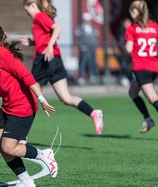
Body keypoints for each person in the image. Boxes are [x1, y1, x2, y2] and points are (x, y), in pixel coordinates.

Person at [0, 22, 57, 187]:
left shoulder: (4, 55)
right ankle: (26, 181)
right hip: (7, 107)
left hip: (22, 107)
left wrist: (42, 99)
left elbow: (27, 76)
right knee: (2, 147)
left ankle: (44, 155)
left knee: (8, 147)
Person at [21, 0, 103, 135]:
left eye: (27, 10)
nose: (27, 13)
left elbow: (57, 28)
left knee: (30, 97)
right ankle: (94, 113)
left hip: (44, 60)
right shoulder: (39, 18)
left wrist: (48, 46)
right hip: (55, 60)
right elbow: (46, 37)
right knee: (66, 98)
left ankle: (19, 135)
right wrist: (32, 43)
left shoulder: (39, 16)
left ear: (32, 5)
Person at [119, 16, 155, 133]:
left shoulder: (133, 29)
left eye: (133, 11)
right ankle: (148, 119)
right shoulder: (154, 27)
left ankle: (148, 119)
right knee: (133, 92)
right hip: (152, 65)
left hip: (143, 67)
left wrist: (127, 47)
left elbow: (128, 49)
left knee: (152, 98)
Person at [75, 12, 99, 85]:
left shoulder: (93, 28)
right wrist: (81, 46)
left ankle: (91, 75)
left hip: (92, 48)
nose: (87, 21)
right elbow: (77, 39)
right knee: (83, 63)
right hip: (84, 49)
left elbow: (96, 38)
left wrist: (94, 45)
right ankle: (81, 77)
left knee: (92, 62)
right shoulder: (80, 29)